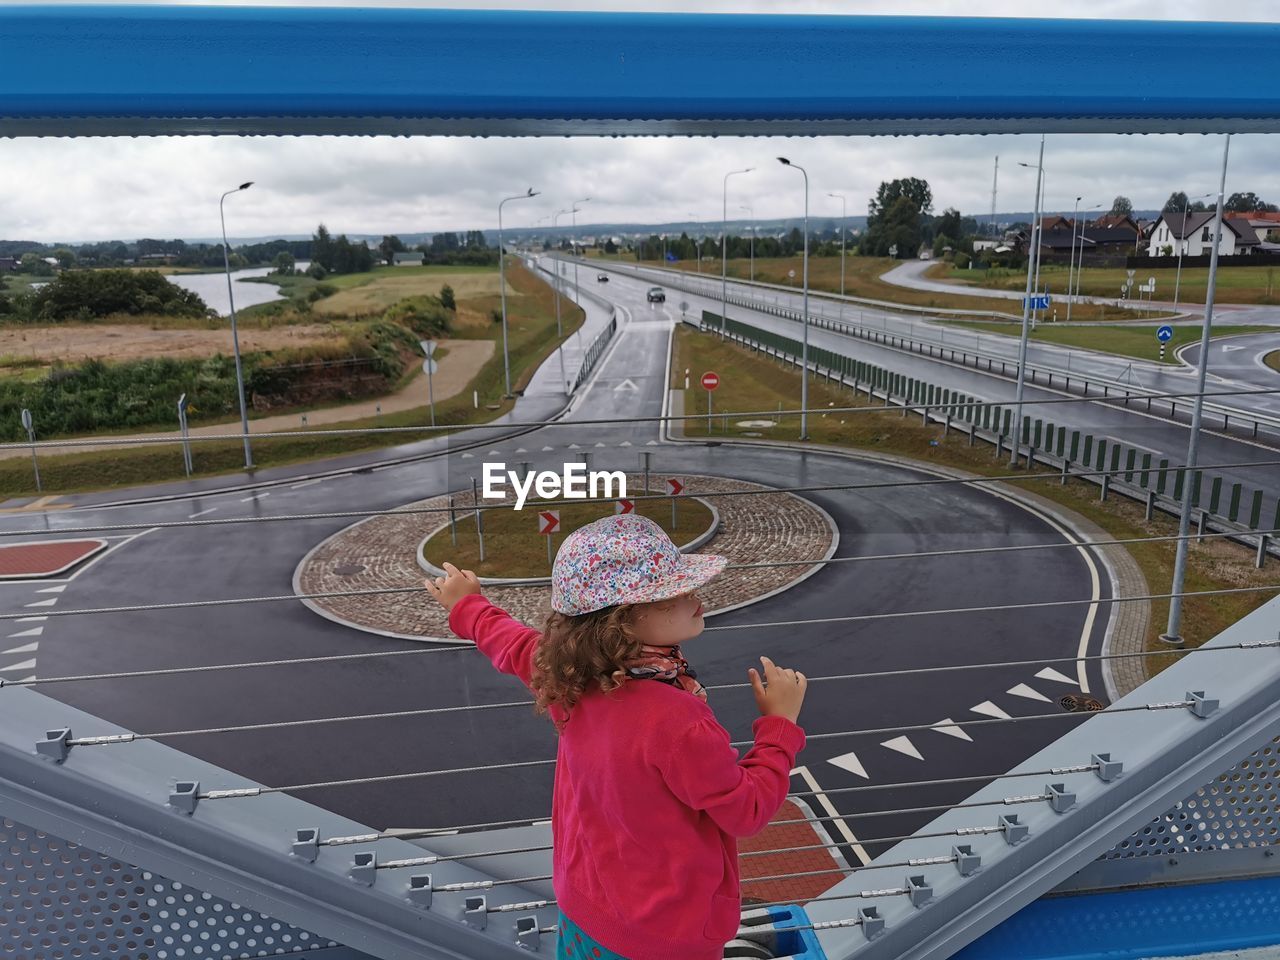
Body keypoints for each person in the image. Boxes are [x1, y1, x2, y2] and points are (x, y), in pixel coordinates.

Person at [424, 513, 808, 960]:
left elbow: (510, 643)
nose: (694, 596)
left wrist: (467, 606)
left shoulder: (567, 674)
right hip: (667, 933)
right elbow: (747, 810)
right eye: (674, 591)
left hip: (586, 907)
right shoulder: (678, 719)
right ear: (624, 619)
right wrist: (780, 725)